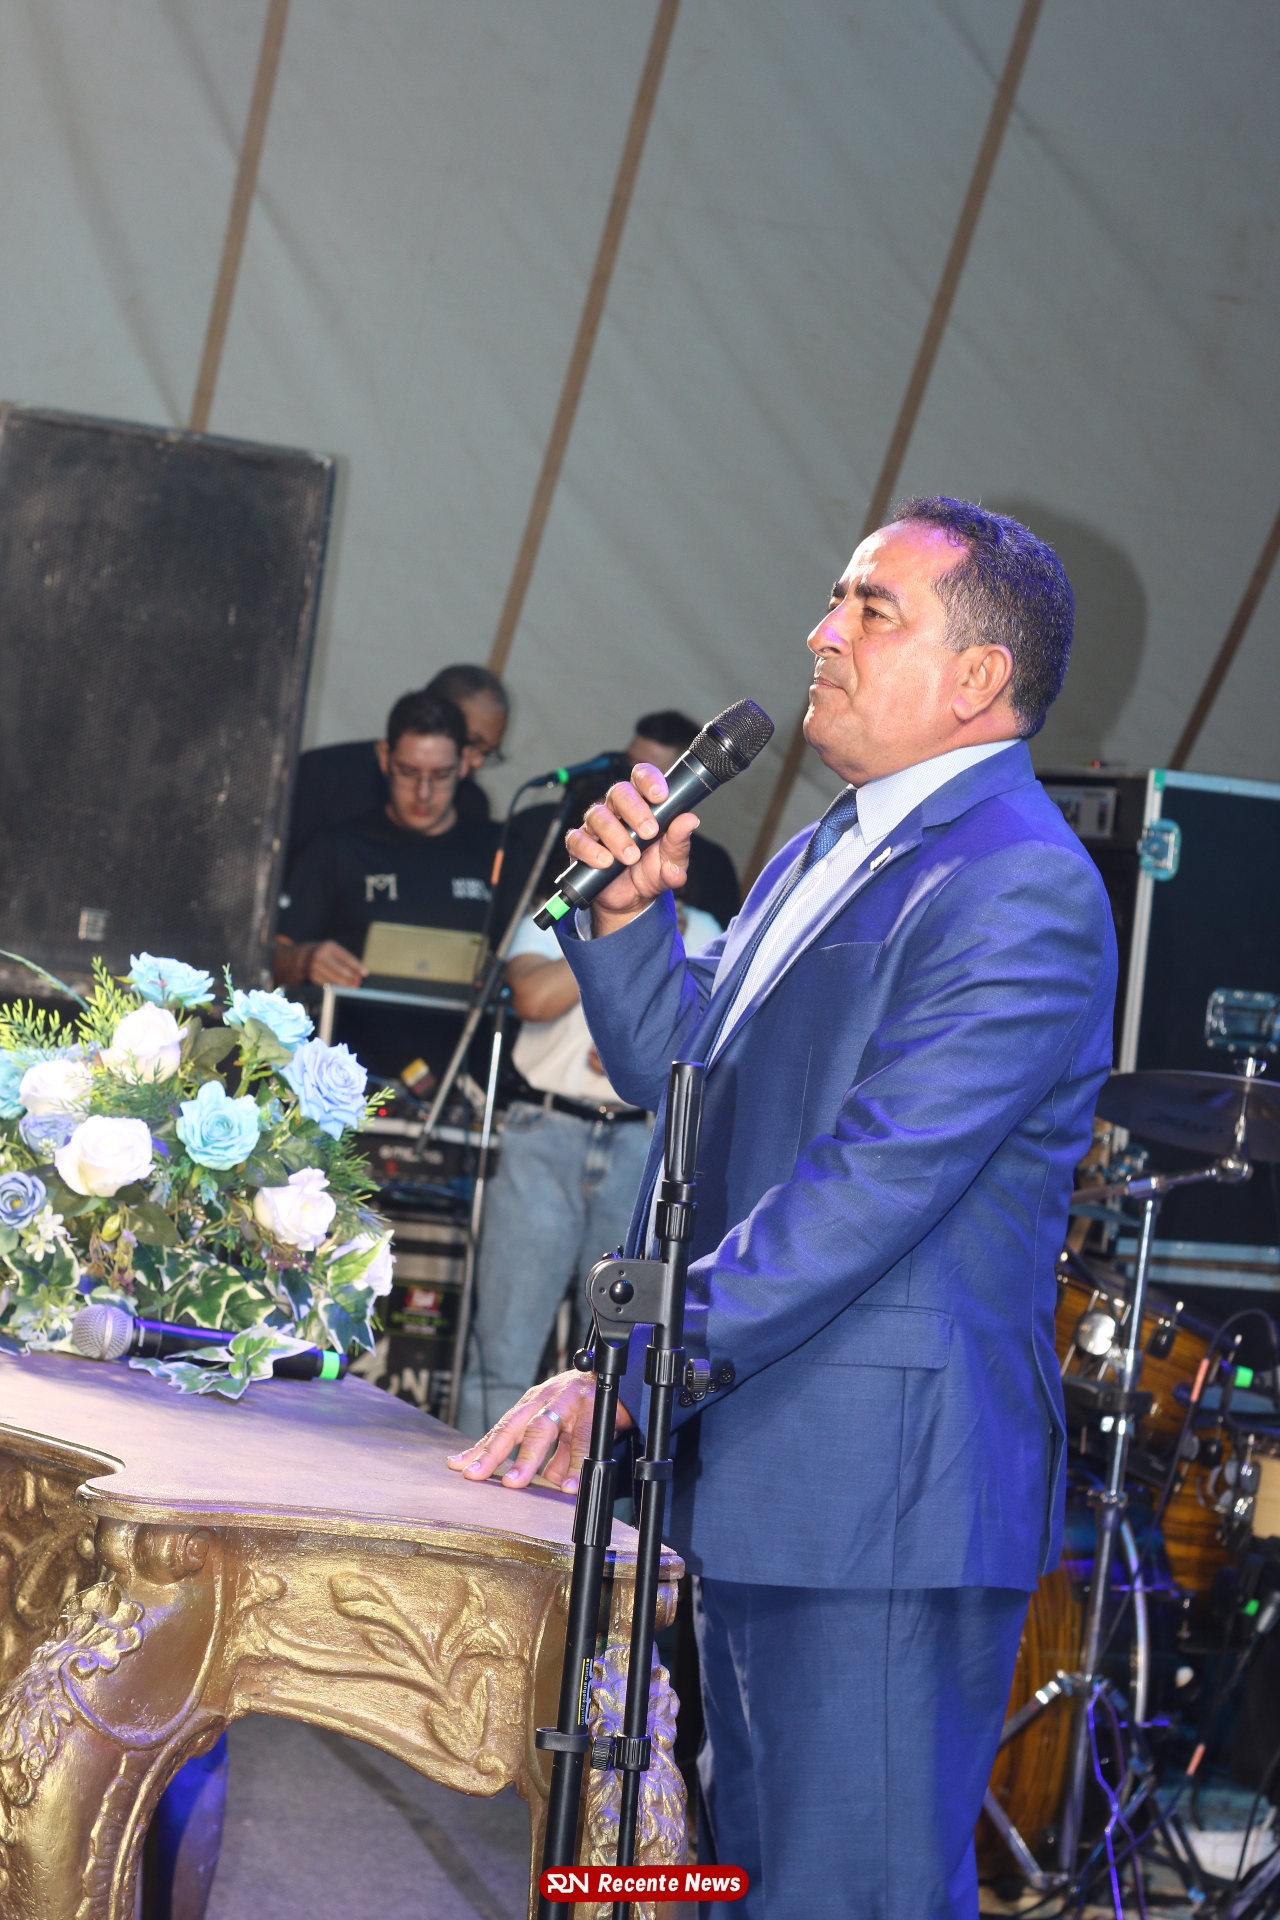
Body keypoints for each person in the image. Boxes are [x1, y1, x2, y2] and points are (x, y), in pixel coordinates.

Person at [447, 497, 1117, 1918]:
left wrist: (633, 1360)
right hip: (763, 1471)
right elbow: (683, 1072)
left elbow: (870, 1185)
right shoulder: (830, 846)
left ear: (977, 677)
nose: (822, 631)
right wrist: (626, 920)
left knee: (843, 1892)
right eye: (833, 598)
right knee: (750, 1882)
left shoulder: (1016, 883)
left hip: (879, 1500)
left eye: (871, 609)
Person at [456, 820, 721, 1439]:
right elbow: (532, 998)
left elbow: (698, 1037)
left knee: (612, 1351)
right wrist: (618, 941)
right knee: (504, 1340)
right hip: (545, 1129)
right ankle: (473, 1470)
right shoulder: (560, 907)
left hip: (640, 1141)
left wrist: (647, 1016)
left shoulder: (704, 926)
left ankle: (581, 1485)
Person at [275, 689, 500, 1082]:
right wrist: (306, 959)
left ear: (465, 763)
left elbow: (539, 943)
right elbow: (269, 955)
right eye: (408, 772)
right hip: (343, 1078)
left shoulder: (496, 849)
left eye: (441, 775)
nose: (424, 793)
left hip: (462, 1083)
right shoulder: (339, 848)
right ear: (384, 758)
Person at [286, 664, 509, 867]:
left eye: (488, 753)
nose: (478, 762)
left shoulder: (471, 802)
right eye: (473, 744)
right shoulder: (320, 774)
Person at [626, 711, 741, 930]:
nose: (632, 777)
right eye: (628, 763)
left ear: (685, 782)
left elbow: (725, 942)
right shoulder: (584, 819)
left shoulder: (713, 864)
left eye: (647, 770)